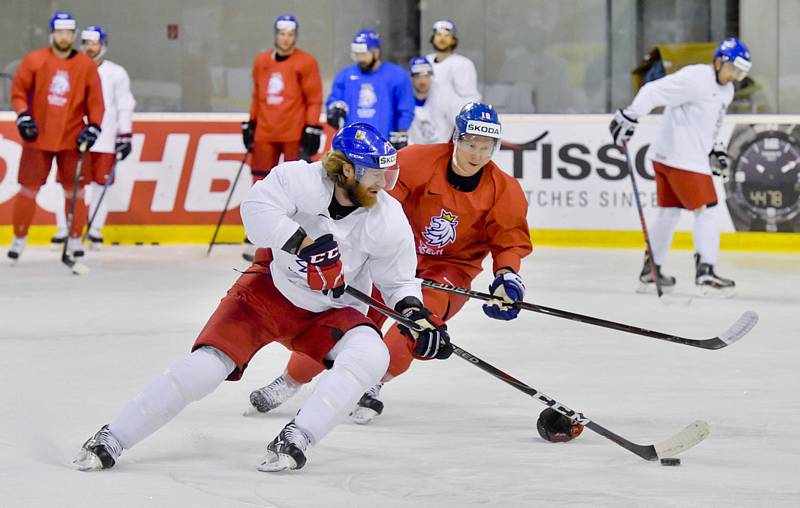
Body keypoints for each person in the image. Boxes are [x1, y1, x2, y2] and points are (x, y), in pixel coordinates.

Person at [72, 123, 451, 473]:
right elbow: (254, 212)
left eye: (388, 174)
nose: (384, 184)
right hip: (270, 292)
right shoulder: (299, 178)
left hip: (332, 309)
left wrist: (415, 313)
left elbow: (399, 281)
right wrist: (303, 243)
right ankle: (114, 436)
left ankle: (298, 436)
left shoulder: (388, 216)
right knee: (205, 369)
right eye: (375, 174)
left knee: (372, 355)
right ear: (347, 171)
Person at [247, 102, 577, 442]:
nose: (477, 154)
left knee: (417, 326)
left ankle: (372, 382)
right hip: (389, 257)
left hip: (450, 269)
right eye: (470, 144)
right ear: (455, 139)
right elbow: (376, 209)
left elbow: (509, 240)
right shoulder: (416, 161)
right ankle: (289, 381)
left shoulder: (504, 190)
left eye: (485, 147)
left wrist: (508, 276)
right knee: (348, 322)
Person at [610, 37, 751, 296]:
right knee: (707, 211)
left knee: (669, 212)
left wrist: (716, 147)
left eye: (741, 72)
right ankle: (706, 273)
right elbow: (653, 90)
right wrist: (632, 114)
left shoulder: (726, 91)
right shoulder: (696, 78)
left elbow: (713, 124)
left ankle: (651, 270)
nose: (735, 76)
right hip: (682, 159)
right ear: (719, 61)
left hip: (672, 158)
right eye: (734, 68)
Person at [7, 11, 104, 261]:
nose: (64, 36)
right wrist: (23, 115)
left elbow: (96, 103)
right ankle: (19, 238)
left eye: (68, 32)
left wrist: (94, 125)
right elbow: (18, 92)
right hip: (38, 137)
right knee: (28, 189)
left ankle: (74, 239)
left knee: (77, 192)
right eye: (59, 32)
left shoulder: (85, 65)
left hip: (73, 139)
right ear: (52, 34)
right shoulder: (34, 60)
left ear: (73, 35)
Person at [241, 14, 323, 261]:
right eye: (282, 34)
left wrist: (311, 126)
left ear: (294, 36)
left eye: (290, 34)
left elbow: (313, 97)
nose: (286, 39)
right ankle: (255, 231)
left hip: (293, 130)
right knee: (259, 179)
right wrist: (251, 122)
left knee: (297, 183)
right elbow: (257, 95)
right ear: (276, 35)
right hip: (266, 130)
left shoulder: (306, 61)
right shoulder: (261, 61)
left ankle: (296, 229)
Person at [76, 25, 136, 247]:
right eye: (87, 43)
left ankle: (95, 230)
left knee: (102, 186)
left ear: (103, 45)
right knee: (74, 186)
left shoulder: (116, 72)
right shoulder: (74, 68)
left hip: (106, 139)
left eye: (95, 43)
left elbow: (124, 105)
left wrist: (125, 134)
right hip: (78, 138)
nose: (91, 48)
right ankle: (69, 230)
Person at [325, 29, 414, 150]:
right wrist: (334, 108)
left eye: (364, 54)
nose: (360, 59)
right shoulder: (345, 75)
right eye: (357, 54)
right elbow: (334, 99)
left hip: (383, 144)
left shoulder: (397, 75)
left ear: (376, 52)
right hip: (351, 144)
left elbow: (405, 108)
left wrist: (401, 131)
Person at [425, 20, 480, 116]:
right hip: (430, 123)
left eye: (447, 35)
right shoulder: (426, 62)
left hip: (453, 124)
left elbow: (470, 97)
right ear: (433, 38)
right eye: (438, 34)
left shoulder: (463, 64)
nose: (442, 38)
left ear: (453, 39)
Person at [406, 56, 458, 144]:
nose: (422, 81)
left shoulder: (446, 96)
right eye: (418, 77)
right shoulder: (404, 98)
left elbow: (457, 123)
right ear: (411, 78)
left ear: (431, 76)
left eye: (426, 76)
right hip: (414, 150)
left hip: (441, 149)